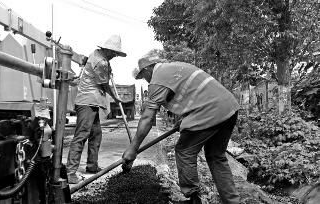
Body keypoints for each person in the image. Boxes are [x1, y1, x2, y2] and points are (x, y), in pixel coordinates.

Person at [122, 56, 240, 204]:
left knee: (184, 151)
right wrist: (184, 120)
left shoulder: (157, 79)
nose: (145, 80)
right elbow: (194, 95)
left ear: (147, 69)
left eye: (142, 76)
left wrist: (133, 148)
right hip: (229, 107)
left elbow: (147, 117)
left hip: (209, 111)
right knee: (216, 157)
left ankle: (193, 198)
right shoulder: (175, 67)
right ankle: (233, 201)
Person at [67, 35, 127, 184]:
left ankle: (92, 166)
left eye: (116, 54)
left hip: (92, 102)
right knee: (82, 135)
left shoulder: (97, 54)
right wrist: (115, 97)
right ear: (106, 49)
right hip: (87, 101)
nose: (114, 56)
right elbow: (104, 85)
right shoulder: (101, 62)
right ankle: (70, 171)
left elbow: (103, 74)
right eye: (113, 53)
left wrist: (108, 68)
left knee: (96, 134)